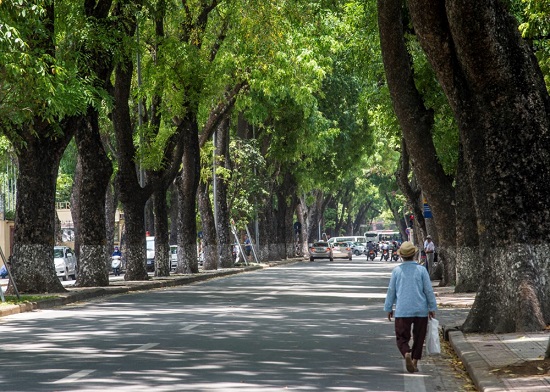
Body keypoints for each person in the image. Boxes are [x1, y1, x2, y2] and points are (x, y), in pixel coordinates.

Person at [384, 241, 437, 373]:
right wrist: (432, 307)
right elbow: (428, 290)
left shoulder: (397, 271)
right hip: (421, 309)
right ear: (414, 254)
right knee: (419, 337)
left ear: (401, 256)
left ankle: (406, 352)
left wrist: (389, 308)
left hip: (403, 310)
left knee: (401, 337)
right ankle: (414, 361)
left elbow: (391, 290)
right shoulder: (422, 270)